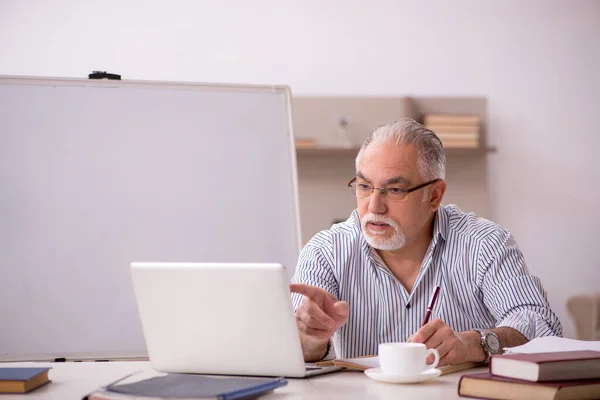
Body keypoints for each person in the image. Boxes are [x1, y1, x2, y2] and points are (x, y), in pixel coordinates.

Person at [290, 119, 562, 366]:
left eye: (395, 190)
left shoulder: (484, 244)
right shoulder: (325, 252)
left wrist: (478, 343)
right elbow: (294, 351)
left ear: (434, 195)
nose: (374, 206)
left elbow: (540, 324)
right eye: (364, 186)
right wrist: (311, 338)